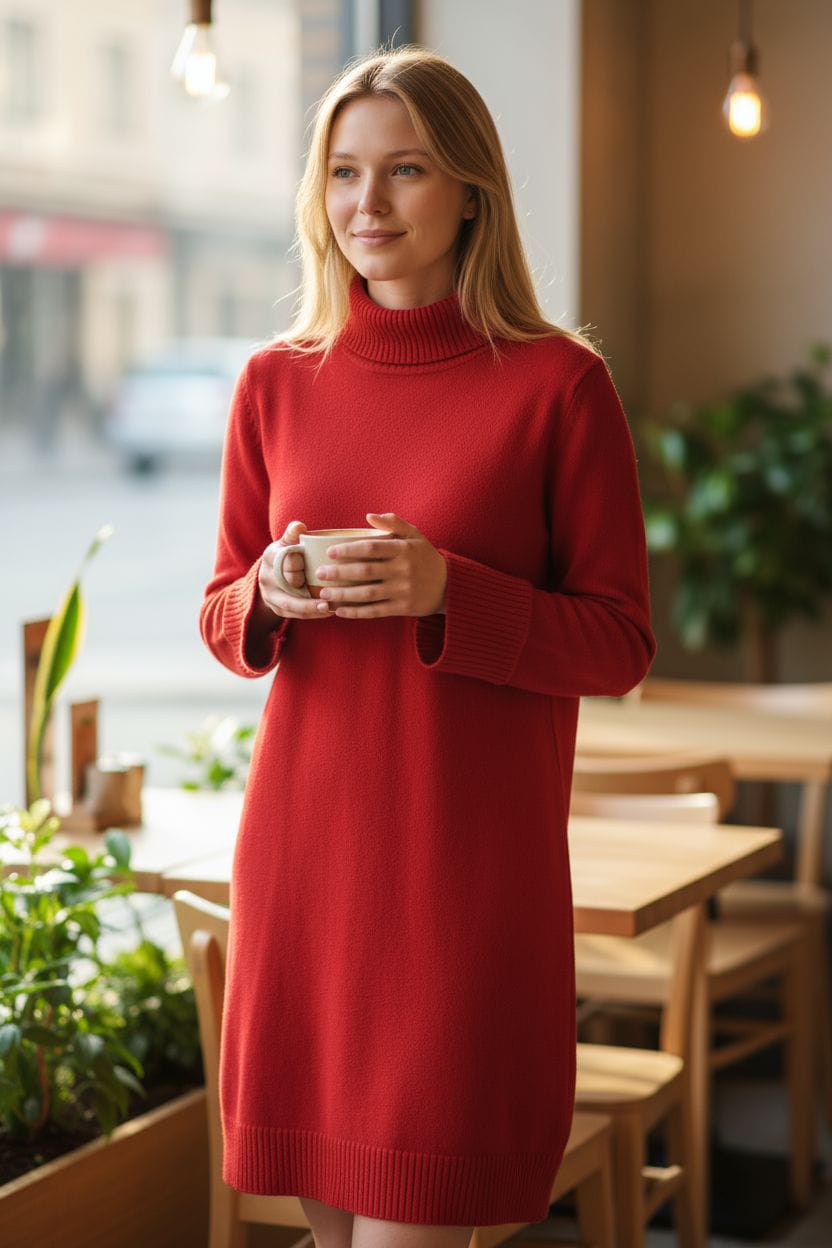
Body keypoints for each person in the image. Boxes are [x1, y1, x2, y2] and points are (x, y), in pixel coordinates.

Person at [199, 43, 657, 1248]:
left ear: (471, 192)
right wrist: (270, 592)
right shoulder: (273, 384)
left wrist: (453, 587)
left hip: (459, 892)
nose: (367, 203)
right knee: (325, 1232)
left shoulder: (561, 387)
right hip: (305, 869)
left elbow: (618, 643)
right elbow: (219, 613)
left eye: (404, 170)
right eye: (344, 173)